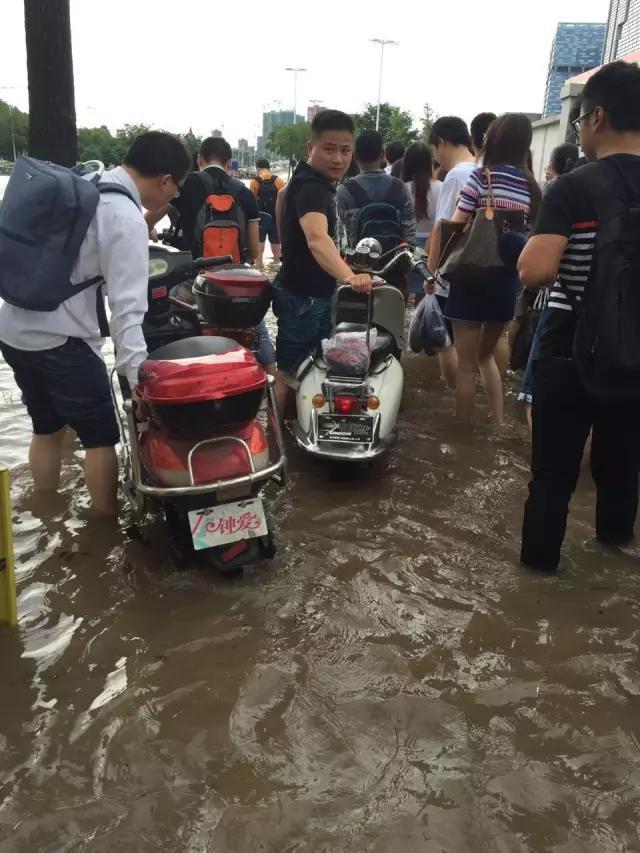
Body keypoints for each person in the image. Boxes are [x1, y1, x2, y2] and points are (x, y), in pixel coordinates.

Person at [0, 131, 191, 514]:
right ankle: (104, 531)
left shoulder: (85, 181)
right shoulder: (124, 217)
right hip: (62, 343)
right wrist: (140, 383)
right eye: (175, 190)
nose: (171, 198)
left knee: (46, 428)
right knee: (100, 439)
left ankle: (46, 508)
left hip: (13, 331)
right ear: (164, 179)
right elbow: (127, 311)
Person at [518, 60, 640, 571]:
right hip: (636, 353)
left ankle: (538, 578)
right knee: (623, 466)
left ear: (597, 118)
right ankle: (614, 547)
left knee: (553, 475)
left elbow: (535, 271)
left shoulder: (573, 187)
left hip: (571, 347)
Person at [431, 113, 539, 424]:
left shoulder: (482, 178)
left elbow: (456, 223)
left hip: (470, 277)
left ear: (493, 139)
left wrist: (436, 266)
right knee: (487, 357)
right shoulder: (532, 186)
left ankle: (464, 434)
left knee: (466, 365)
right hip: (505, 282)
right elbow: (529, 238)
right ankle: (499, 423)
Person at [145, 137, 276, 374]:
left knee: (162, 318)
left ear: (199, 160)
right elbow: (255, 250)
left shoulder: (186, 186)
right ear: (229, 163)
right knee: (258, 331)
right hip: (234, 284)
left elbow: (147, 220)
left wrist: (151, 230)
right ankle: (272, 379)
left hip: (193, 280)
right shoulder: (244, 193)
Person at [273, 109, 372, 415]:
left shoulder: (303, 182)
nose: (338, 159)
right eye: (329, 149)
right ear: (311, 148)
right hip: (303, 296)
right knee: (289, 374)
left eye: (345, 150)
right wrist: (350, 276)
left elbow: (281, 201)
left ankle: (292, 431)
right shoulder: (313, 188)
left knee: (309, 366)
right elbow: (317, 238)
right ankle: (277, 438)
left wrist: (287, 251)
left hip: (305, 290)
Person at [517, 143, 581, 426]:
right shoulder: (535, 185)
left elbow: (534, 271)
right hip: (620, 325)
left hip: (562, 310)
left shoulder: (566, 189)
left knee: (539, 395)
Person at [426, 116, 477, 388]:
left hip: (453, 272)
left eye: (435, 149)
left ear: (442, 142)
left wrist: (431, 274)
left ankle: (454, 397)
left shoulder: (456, 175)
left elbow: (443, 229)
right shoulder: (484, 169)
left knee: (446, 343)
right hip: (481, 270)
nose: (437, 157)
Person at [336, 129, 416, 257]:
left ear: (355, 156)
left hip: (358, 267)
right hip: (392, 264)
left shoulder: (344, 190)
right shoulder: (399, 187)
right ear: (383, 154)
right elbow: (409, 231)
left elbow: (340, 235)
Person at [250, 157, 285, 265]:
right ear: (269, 168)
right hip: (275, 219)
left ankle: (261, 275)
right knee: (277, 255)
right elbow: (283, 201)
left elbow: (252, 203)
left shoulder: (254, 182)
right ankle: (274, 274)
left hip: (261, 220)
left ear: (258, 168)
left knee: (258, 254)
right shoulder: (279, 181)